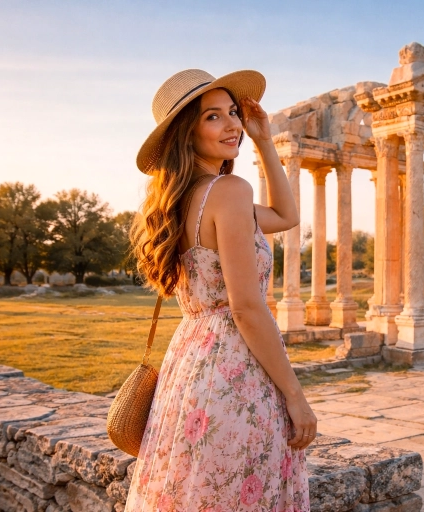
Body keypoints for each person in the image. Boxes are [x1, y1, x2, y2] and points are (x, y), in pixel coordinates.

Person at [125, 68, 314, 511]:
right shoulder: (228, 192)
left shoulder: (185, 199)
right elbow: (246, 308)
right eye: (213, 117)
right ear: (185, 133)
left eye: (233, 112)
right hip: (236, 370)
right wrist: (295, 395)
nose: (233, 125)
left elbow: (285, 216)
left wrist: (264, 140)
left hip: (188, 366)